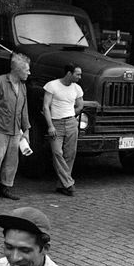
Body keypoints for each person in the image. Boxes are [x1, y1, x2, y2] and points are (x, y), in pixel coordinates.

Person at [0, 53, 31, 203]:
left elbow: (24, 110)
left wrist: (26, 130)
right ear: (17, 70)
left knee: (11, 162)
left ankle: (5, 187)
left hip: (15, 131)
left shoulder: (22, 86)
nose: (29, 73)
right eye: (27, 70)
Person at [43, 64, 84, 196]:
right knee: (57, 153)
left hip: (71, 123)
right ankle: (68, 183)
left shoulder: (77, 88)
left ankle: (62, 185)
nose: (80, 77)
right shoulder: (52, 86)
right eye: (77, 74)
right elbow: (45, 107)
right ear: (68, 73)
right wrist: (50, 126)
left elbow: (80, 105)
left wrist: (71, 116)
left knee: (70, 154)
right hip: (56, 124)